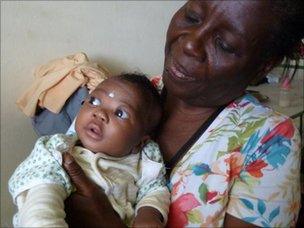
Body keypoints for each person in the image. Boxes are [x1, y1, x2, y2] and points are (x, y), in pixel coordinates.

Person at [40, 1, 303, 227]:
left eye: (224, 44)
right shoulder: (123, 97)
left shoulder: (269, 140)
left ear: (261, 67)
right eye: (192, 17)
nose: (190, 44)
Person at [8, 73, 170, 227]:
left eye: (120, 113)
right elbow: (41, 201)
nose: (99, 113)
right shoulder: (59, 150)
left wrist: (149, 211)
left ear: (140, 141)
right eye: (94, 101)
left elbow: (154, 188)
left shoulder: (144, 162)